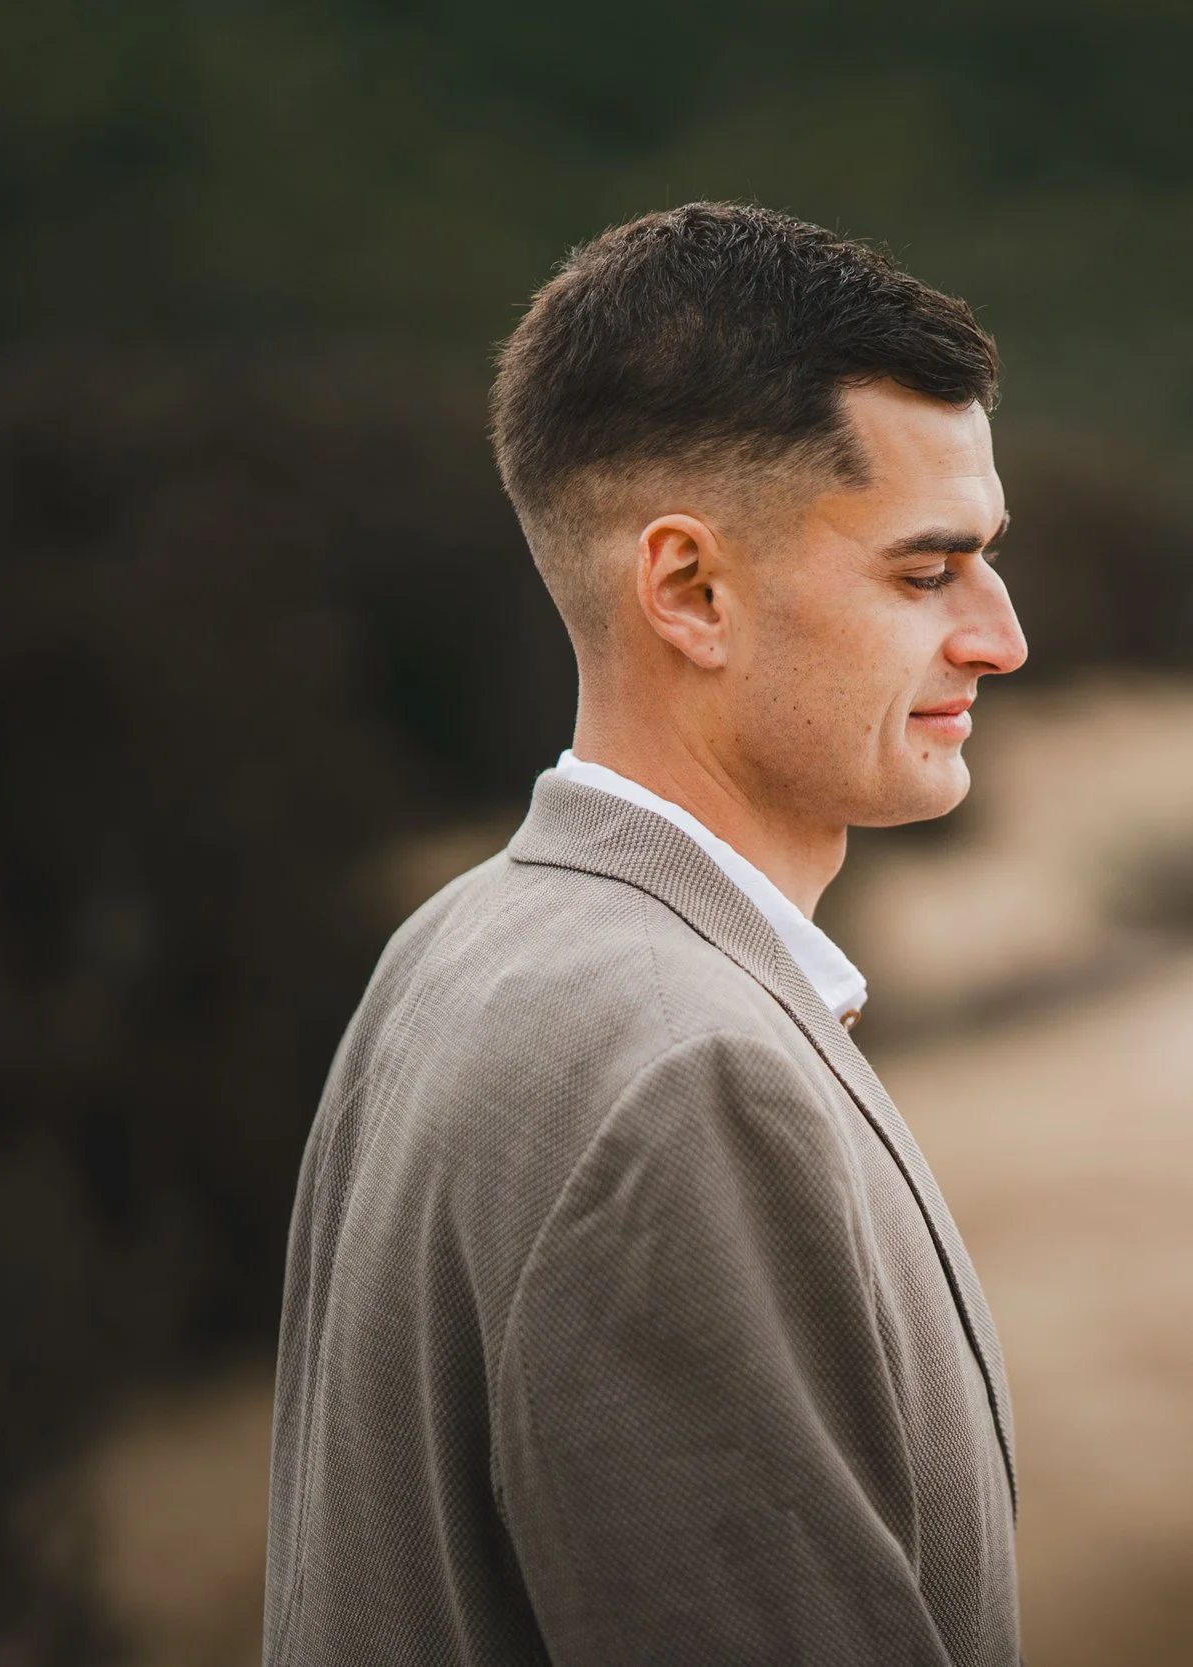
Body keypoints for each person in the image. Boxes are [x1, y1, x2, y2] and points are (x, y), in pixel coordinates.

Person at [264, 203, 1028, 1666]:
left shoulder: (456, 941)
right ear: (689, 588)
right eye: (926, 571)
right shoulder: (688, 1070)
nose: (1001, 633)